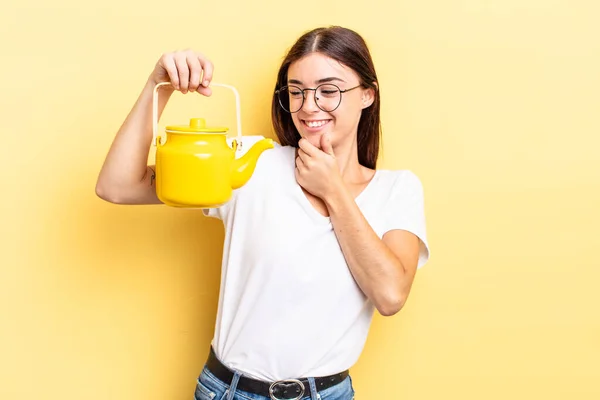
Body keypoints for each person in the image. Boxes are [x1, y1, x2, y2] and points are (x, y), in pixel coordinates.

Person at [96, 26, 430, 400]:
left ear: (367, 94)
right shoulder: (254, 162)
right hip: (228, 391)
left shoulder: (397, 190)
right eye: (296, 90)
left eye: (329, 90)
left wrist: (332, 190)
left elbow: (390, 295)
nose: (308, 106)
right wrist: (159, 86)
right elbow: (118, 186)